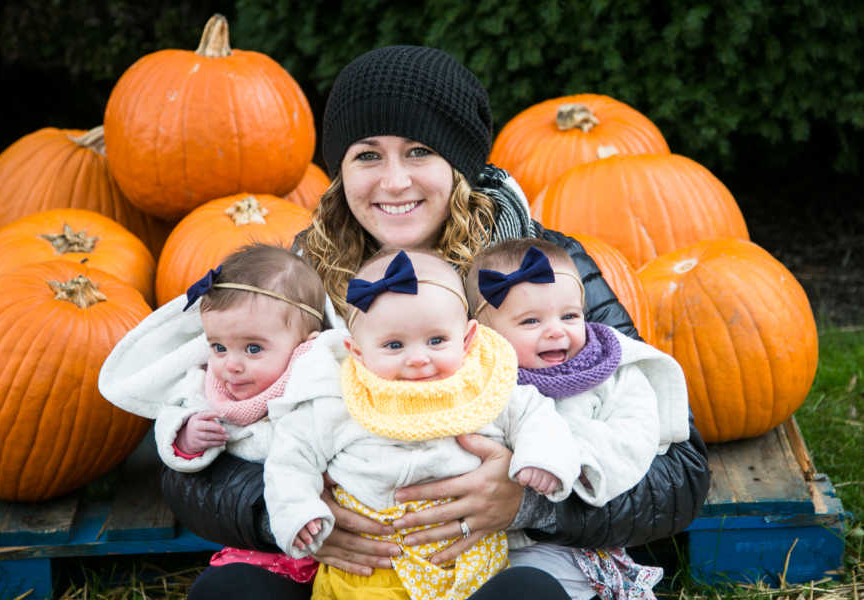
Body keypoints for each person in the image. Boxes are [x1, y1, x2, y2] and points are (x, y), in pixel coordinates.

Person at [102, 45, 709, 599]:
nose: (394, 181)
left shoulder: (544, 272)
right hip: (349, 558)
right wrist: (286, 510)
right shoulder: (292, 283)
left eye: (420, 151)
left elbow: (681, 469)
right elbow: (194, 449)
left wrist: (528, 504)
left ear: (460, 165)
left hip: (517, 553)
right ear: (342, 170)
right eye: (368, 156)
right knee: (230, 596)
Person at [266, 249, 580, 599]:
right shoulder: (337, 400)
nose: (418, 359)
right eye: (394, 345)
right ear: (356, 351)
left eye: (436, 341)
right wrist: (298, 511)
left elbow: (536, 416)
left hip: (471, 569)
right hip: (371, 575)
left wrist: (542, 459)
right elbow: (291, 457)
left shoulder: (483, 387)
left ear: (467, 339)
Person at [99, 243, 344, 583]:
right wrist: (186, 436)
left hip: (325, 520)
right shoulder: (206, 383)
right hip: (254, 535)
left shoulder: (316, 382)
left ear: (305, 344)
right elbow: (175, 415)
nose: (231, 364)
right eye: (218, 347)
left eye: (253, 348)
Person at [464, 239, 691, 600]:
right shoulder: (475, 380)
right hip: (478, 545)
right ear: (484, 334)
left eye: (569, 316)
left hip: (568, 548)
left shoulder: (610, 372)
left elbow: (633, 436)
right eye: (531, 321)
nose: (556, 330)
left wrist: (568, 457)